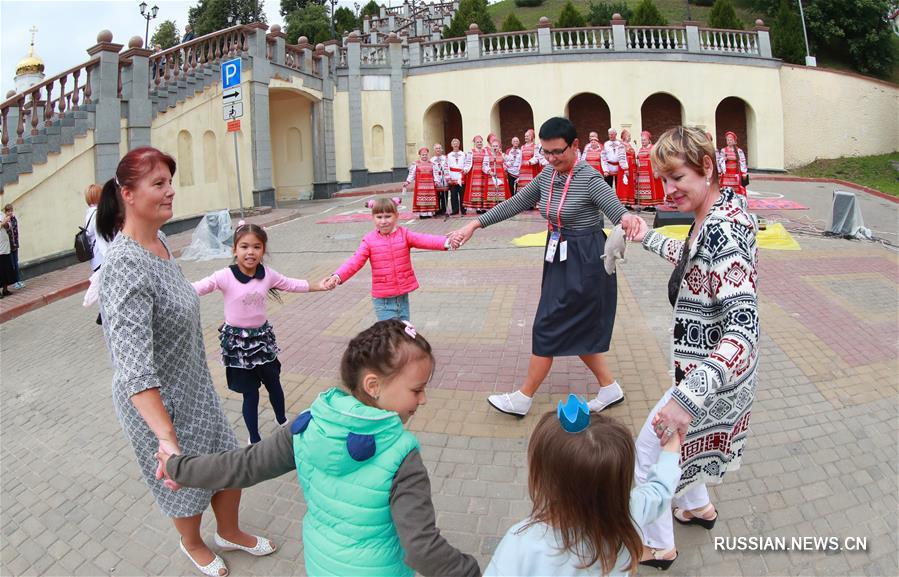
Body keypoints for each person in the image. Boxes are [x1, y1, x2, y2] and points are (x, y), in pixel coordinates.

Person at [156, 320, 481, 577]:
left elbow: (244, 465)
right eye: (417, 390)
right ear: (373, 385)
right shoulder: (402, 455)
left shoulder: (309, 424)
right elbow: (421, 550)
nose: (423, 400)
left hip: (322, 563)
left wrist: (178, 467)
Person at [97, 147, 272, 577]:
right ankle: (192, 543)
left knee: (229, 461)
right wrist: (166, 435)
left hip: (194, 387)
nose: (170, 191)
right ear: (128, 194)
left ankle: (228, 531)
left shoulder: (158, 243)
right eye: (158, 183)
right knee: (183, 482)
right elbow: (134, 368)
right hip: (159, 404)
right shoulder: (123, 264)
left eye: (170, 182)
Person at [452, 117, 647, 417]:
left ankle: (523, 397)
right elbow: (515, 203)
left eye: (558, 151)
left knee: (548, 324)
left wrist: (629, 220)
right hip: (558, 255)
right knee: (575, 326)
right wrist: (474, 225)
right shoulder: (547, 175)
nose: (552, 158)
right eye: (546, 152)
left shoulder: (590, 178)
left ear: (575, 145)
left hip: (586, 261)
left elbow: (617, 210)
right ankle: (609, 388)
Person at [632, 126, 759, 568]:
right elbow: (692, 257)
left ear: (707, 167)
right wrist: (645, 235)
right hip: (707, 375)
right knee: (684, 444)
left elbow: (743, 328)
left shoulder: (722, 229)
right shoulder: (717, 212)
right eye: (663, 180)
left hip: (707, 379)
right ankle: (697, 507)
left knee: (649, 450)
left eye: (677, 177)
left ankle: (658, 544)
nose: (668, 190)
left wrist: (687, 399)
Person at [485, 399, 682, 576]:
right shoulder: (631, 512)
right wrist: (672, 443)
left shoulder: (521, 544)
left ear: (540, 477)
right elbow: (660, 489)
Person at [193, 222, 329, 445]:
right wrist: (173, 291)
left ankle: (282, 420)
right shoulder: (225, 276)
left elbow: (290, 284)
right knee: (250, 393)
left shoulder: (267, 275)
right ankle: (254, 438)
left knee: (274, 382)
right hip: (237, 344)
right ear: (234, 250)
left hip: (262, 340)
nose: (250, 252)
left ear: (263, 250)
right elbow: (199, 287)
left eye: (256, 247)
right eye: (244, 247)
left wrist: (318, 285)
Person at [325, 197, 460, 321]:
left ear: (396, 216)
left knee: (404, 331)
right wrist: (337, 276)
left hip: (402, 298)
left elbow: (425, 239)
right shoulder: (369, 240)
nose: (383, 221)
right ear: (373, 218)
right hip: (383, 301)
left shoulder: (404, 234)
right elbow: (355, 262)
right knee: (390, 334)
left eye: (388, 216)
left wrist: (447, 242)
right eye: (379, 217)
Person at [84, 184, 111, 324]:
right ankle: (103, 314)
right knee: (107, 285)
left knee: (103, 285)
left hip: (95, 258)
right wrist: (109, 258)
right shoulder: (97, 215)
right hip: (102, 258)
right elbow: (101, 240)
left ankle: (103, 313)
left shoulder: (89, 213)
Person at [403, 147, 442, 218]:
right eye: (423, 155)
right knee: (421, 199)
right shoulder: (415, 164)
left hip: (430, 185)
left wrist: (437, 181)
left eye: (426, 155)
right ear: (420, 155)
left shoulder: (432, 164)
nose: (424, 156)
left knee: (429, 198)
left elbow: (435, 173)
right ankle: (422, 214)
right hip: (420, 186)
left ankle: (429, 213)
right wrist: (407, 181)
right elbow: (411, 174)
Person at [635, 131, 665, 209]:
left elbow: (656, 159)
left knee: (652, 188)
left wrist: (656, 170)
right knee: (645, 188)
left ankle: (653, 205)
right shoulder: (641, 149)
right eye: (642, 140)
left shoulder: (652, 148)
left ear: (648, 140)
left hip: (650, 171)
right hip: (642, 173)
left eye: (644, 140)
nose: (643, 142)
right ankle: (647, 204)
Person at [462, 135, 489, 213]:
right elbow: (467, 163)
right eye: (478, 142)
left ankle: (482, 207)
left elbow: (486, 163)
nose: (479, 143)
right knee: (475, 189)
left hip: (483, 172)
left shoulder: (485, 152)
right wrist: (465, 170)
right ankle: (477, 208)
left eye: (480, 142)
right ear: (475, 143)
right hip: (474, 174)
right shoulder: (471, 152)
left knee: (482, 189)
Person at [718, 131, 749, 196]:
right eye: (728, 140)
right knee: (726, 188)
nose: (729, 141)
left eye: (731, 140)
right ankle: (726, 199)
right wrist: (724, 160)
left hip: (736, 173)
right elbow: (719, 161)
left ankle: (736, 199)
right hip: (726, 174)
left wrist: (744, 172)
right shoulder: (723, 150)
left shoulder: (739, 151)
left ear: (734, 141)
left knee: (736, 188)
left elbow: (743, 161)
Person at [483, 138, 511, 208]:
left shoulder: (502, 155)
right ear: (491, 147)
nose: (495, 147)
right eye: (493, 146)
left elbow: (511, 160)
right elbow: (484, 165)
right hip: (491, 175)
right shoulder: (488, 155)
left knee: (501, 190)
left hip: (501, 175)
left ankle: (501, 206)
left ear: (499, 147)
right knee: (492, 190)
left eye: (496, 146)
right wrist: (489, 171)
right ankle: (492, 206)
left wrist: (505, 166)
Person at [516, 128, 543, 194]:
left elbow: (537, 157)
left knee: (531, 186)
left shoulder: (535, 146)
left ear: (531, 137)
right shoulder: (522, 147)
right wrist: (519, 170)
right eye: (525, 136)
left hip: (531, 169)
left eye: (527, 136)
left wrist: (530, 162)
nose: (525, 137)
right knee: (523, 188)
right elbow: (520, 159)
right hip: (523, 171)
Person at [3, 204, 23, 288]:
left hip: (15, 245)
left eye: (11, 211)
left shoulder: (14, 219)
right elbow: (7, 228)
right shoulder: (4, 220)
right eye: (8, 211)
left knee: (16, 263)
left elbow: (15, 231)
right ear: (5, 212)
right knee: (12, 264)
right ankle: (14, 282)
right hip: (9, 247)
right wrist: (5, 221)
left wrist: (16, 243)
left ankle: (18, 280)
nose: (10, 212)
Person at [445, 138, 466, 215]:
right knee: (453, 195)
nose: (455, 145)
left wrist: (464, 171)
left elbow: (466, 164)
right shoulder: (449, 155)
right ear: (451, 145)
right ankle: (455, 210)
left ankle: (463, 209)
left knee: (462, 194)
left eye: (457, 143)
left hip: (461, 177)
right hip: (452, 177)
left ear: (459, 144)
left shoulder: (463, 154)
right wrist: (448, 177)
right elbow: (446, 166)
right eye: (454, 143)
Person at [616, 129, 636, 206]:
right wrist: (625, 169)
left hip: (631, 168)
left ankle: (629, 202)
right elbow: (621, 157)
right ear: (624, 137)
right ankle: (623, 203)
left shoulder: (629, 145)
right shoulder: (621, 145)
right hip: (625, 168)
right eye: (628, 136)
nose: (630, 137)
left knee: (630, 185)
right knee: (624, 184)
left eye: (630, 136)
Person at [431, 143, 449, 215]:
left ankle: (444, 209)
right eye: (436, 148)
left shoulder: (445, 158)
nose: (438, 150)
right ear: (434, 150)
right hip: (436, 179)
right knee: (437, 195)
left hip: (444, 178)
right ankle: (437, 209)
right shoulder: (432, 160)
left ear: (441, 149)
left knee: (445, 195)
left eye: (439, 148)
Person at [0, 209, 15, 298]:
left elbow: (9, 226)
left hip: (5, 248)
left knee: (6, 270)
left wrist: (6, 224)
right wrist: (3, 222)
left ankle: (5, 290)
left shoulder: (1, 214)